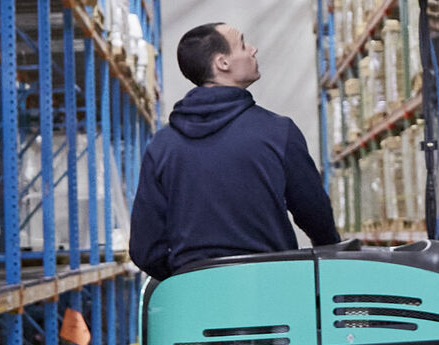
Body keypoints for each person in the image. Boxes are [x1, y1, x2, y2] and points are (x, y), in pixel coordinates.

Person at [128, 21, 341, 280]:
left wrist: (186, 275)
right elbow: (318, 221)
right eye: (242, 44)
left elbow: (144, 249)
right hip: (273, 296)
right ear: (222, 63)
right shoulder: (277, 132)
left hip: (193, 303)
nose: (253, 50)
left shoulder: (162, 146)